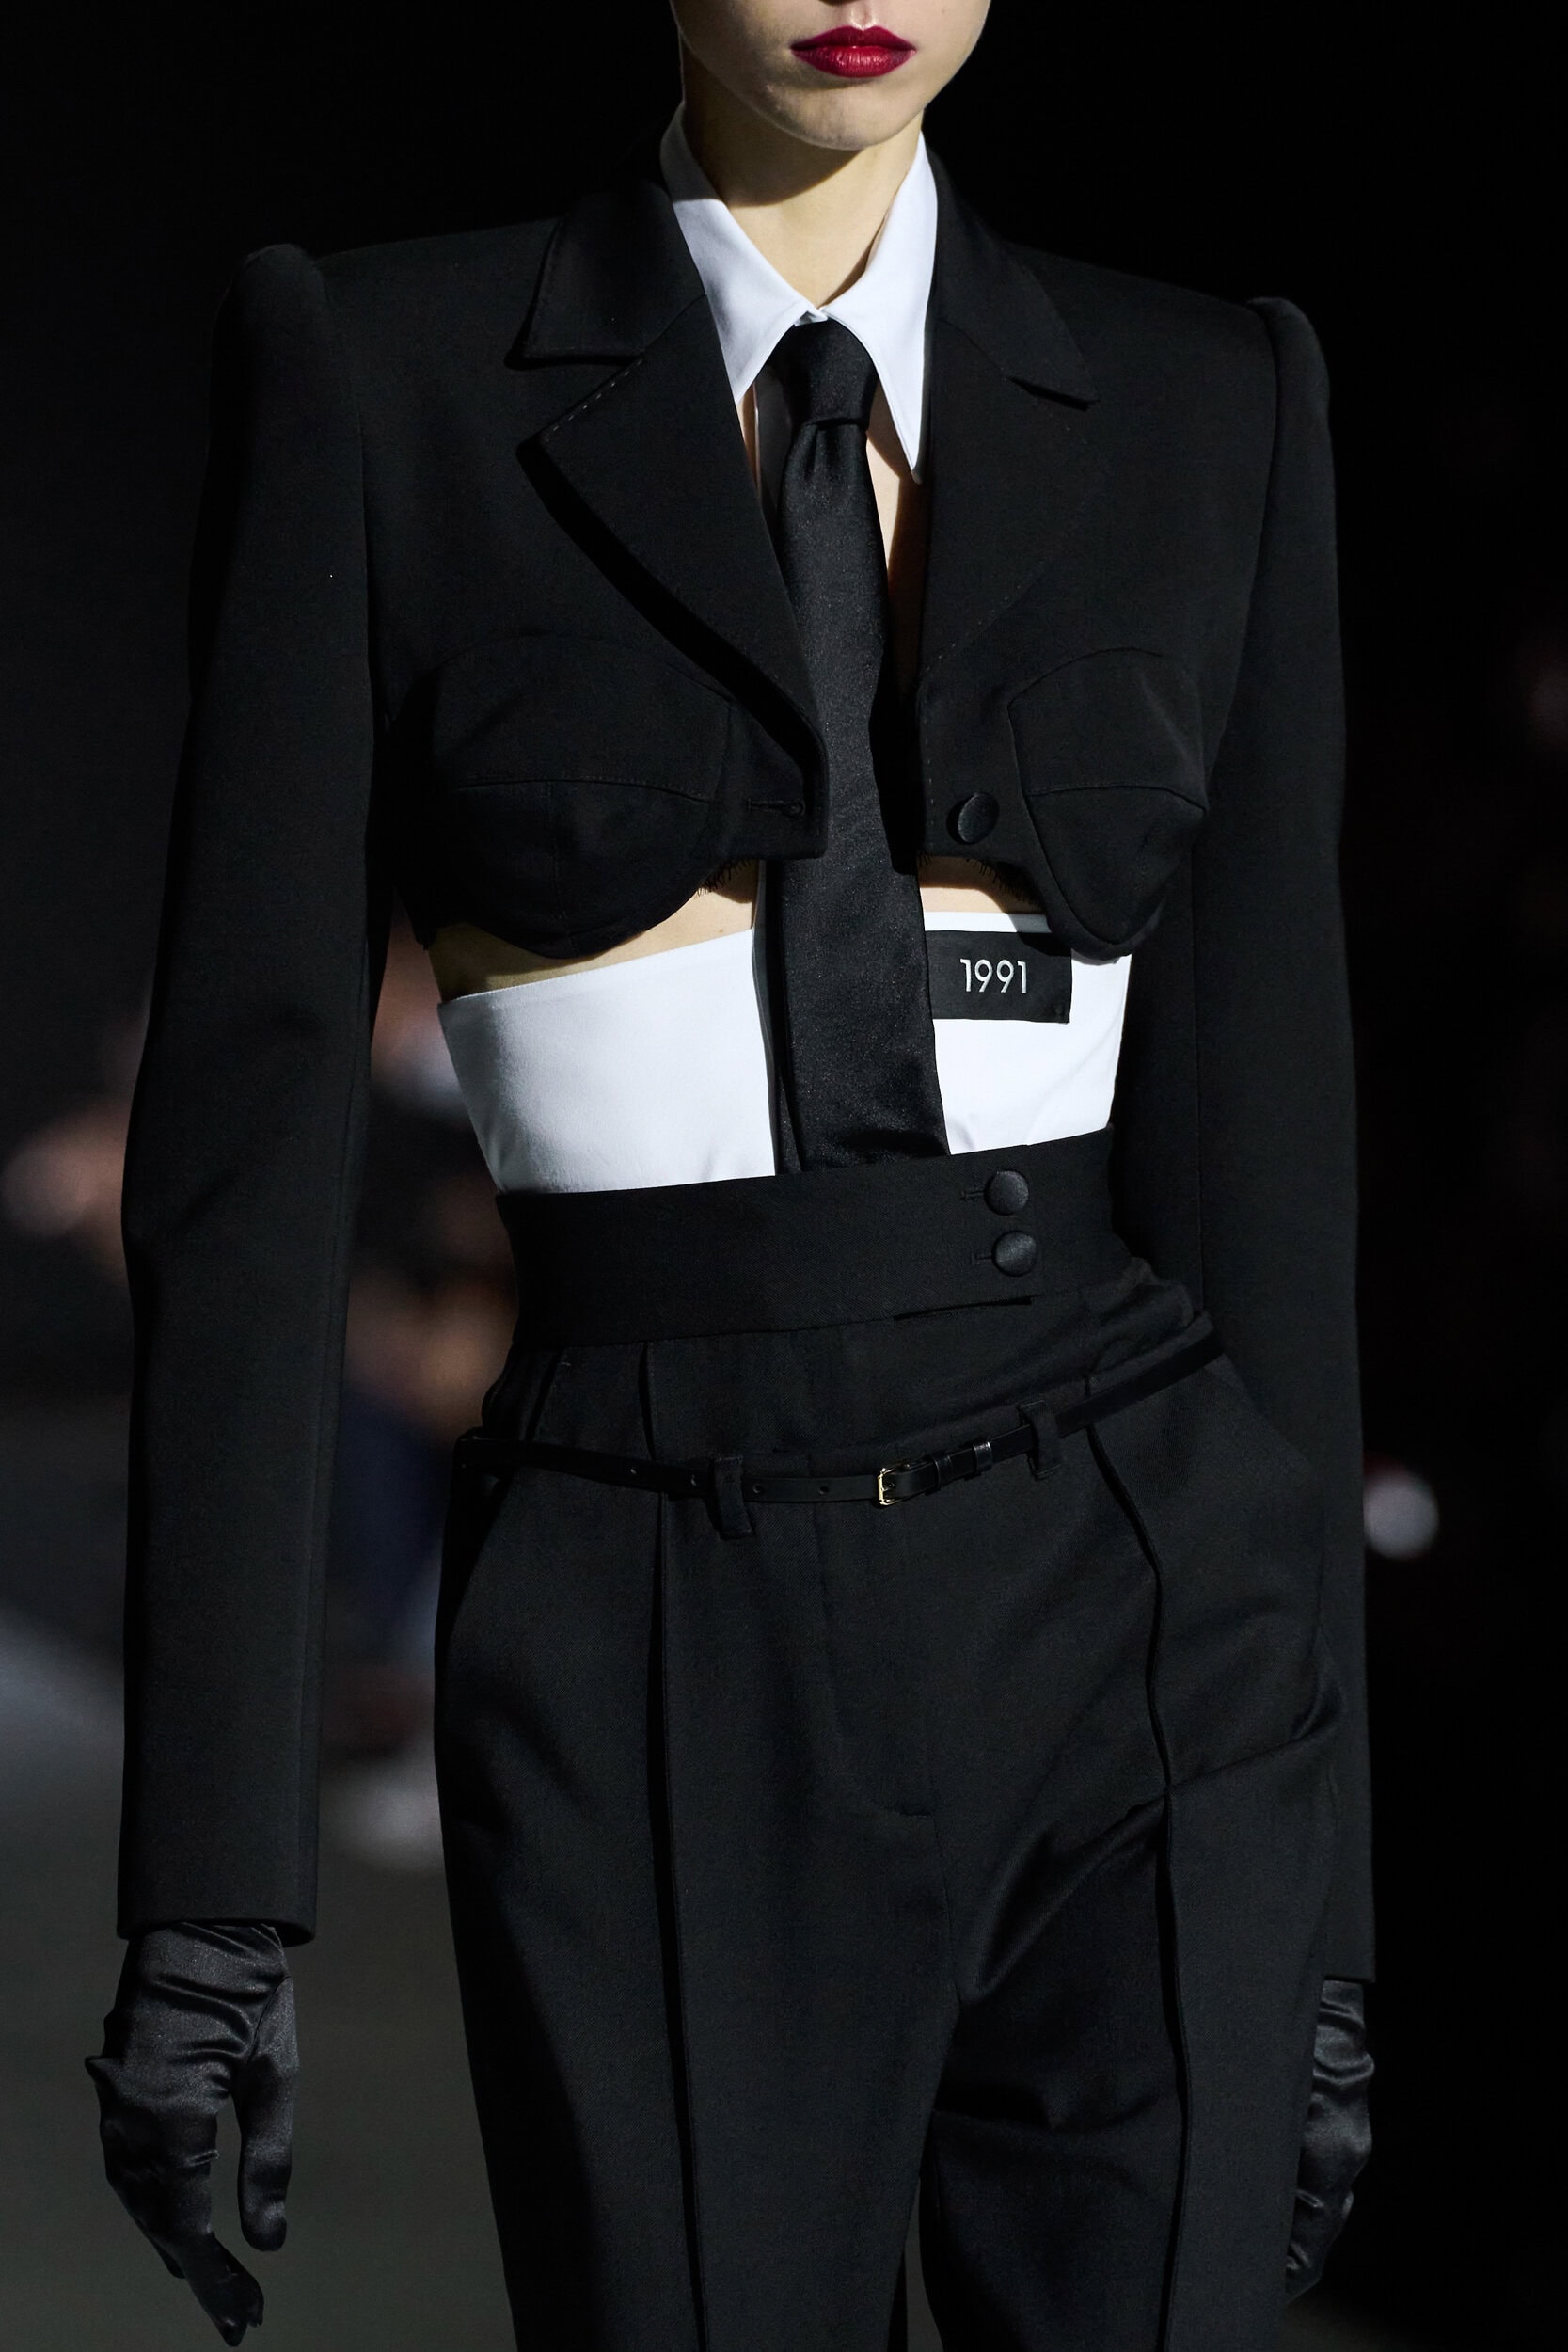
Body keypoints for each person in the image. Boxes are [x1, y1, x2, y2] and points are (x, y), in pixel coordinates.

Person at [87, 4, 1374, 2346]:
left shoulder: (1211, 395)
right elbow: (245, 1155)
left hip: (1150, 1595)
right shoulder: (385, 373)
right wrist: (210, 1880)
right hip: (656, 1592)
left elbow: (1268, 1154)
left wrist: (1339, 1919)